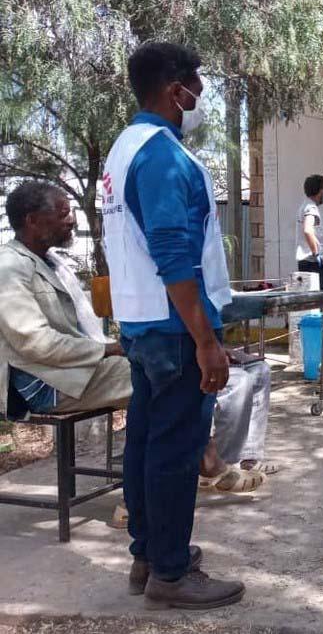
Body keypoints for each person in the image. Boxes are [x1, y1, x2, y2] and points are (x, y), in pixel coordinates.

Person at [103, 42, 244, 609]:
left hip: (141, 321)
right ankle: (169, 571)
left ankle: (150, 554)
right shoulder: (161, 155)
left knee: (144, 440)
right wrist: (205, 339)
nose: (202, 99)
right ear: (174, 90)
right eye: (198, 89)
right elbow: (170, 249)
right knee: (176, 449)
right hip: (174, 327)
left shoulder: (122, 150)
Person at [0, 182, 132, 419]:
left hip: (69, 370)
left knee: (165, 367)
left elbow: (78, 318)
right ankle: (197, 455)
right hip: (43, 384)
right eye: (63, 214)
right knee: (159, 373)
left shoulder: (52, 261)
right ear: (32, 220)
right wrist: (108, 349)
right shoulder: (8, 267)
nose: (71, 220)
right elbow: (37, 343)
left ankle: (183, 453)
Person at [295, 174, 323, 290]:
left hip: (306, 259)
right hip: (311, 261)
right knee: (315, 296)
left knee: (309, 296)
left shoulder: (306, 205)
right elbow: (308, 230)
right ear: (321, 191)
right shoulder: (311, 208)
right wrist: (317, 253)